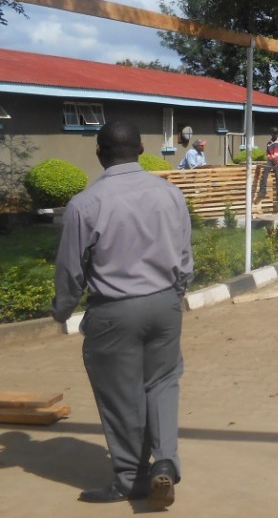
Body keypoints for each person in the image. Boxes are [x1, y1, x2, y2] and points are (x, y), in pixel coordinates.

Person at [52, 120, 193, 508]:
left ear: (99, 153)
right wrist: (174, 294)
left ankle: (132, 478)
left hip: (115, 310)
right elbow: (184, 257)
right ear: (142, 149)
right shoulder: (169, 194)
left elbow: (71, 269)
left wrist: (62, 309)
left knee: (120, 395)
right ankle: (164, 459)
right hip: (165, 305)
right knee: (163, 383)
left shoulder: (86, 203)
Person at [255, 128, 278, 211]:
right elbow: (268, 155)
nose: (276, 135)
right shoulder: (269, 143)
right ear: (272, 134)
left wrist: (277, 162)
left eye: (277, 133)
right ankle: (263, 191)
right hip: (271, 161)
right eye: (274, 134)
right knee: (265, 172)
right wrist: (272, 160)